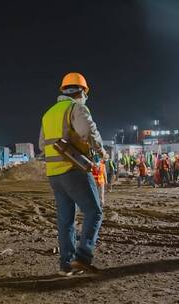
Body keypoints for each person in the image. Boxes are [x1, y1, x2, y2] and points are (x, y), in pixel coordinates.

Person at [39, 72, 104, 275]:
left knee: (65, 219)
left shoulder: (48, 114)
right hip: (73, 169)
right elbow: (88, 132)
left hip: (54, 175)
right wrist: (101, 150)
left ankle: (66, 264)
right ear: (82, 91)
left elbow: (42, 144)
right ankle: (83, 257)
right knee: (94, 211)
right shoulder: (77, 107)